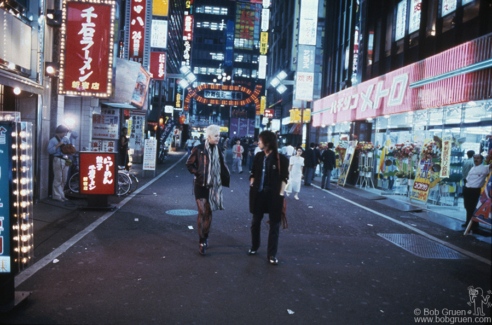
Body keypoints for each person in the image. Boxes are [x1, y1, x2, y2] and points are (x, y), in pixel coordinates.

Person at [186, 125, 230, 255]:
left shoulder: (219, 149)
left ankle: (206, 235)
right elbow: (189, 164)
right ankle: (201, 241)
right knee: (202, 211)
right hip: (200, 184)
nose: (218, 138)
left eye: (219, 136)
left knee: (209, 213)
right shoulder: (198, 149)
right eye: (216, 136)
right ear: (209, 136)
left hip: (213, 186)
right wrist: (198, 173)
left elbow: (222, 166)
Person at [249, 131, 289, 265]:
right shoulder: (259, 156)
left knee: (274, 225)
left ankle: (272, 254)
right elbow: (253, 171)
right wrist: (252, 180)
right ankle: (255, 246)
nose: (258, 142)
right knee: (255, 222)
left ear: (267, 142)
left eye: (260, 140)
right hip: (259, 194)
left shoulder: (280, 158)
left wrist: (281, 193)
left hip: (274, 196)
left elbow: (284, 177)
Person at [462, 154, 492, 231]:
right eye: (474, 158)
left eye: (478, 158)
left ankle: (470, 224)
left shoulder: (484, 168)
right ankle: (472, 223)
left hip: (474, 190)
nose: (476, 159)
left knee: (471, 207)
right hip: (467, 189)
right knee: (466, 206)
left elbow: (490, 165)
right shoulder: (472, 168)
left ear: (482, 160)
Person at [47, 125, 70, 202]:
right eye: (64, 132)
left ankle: (61, 194)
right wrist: (58, 145)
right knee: (58, 178)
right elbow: (49, 151)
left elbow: (70, 148)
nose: (65, 134)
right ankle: (56, 195)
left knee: (64, 178)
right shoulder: (53, 140)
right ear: (60, 132)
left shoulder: (66, 139)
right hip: (58, 159)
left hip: (66, 158)